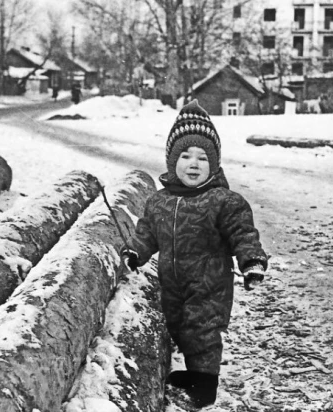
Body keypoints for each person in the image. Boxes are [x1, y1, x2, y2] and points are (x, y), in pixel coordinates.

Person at [120, 100, 268, 408]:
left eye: (203, 157)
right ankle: (193, 374)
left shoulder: (223, 201)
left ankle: (205, 387)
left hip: (209, 285)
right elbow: (147, 232)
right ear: (172, 161)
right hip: (172, 284)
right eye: (185, 155)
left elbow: (242, 232)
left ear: (214, 165)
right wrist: (135, 252)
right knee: (180, 328)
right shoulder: (159, 201)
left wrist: (251, 260)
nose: (194, 163)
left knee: (202, 332)